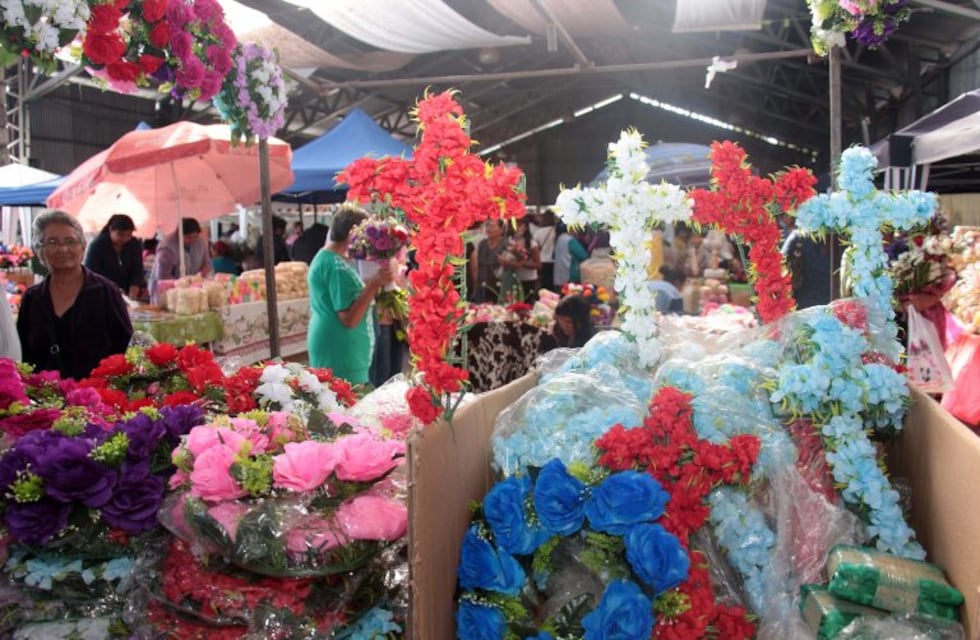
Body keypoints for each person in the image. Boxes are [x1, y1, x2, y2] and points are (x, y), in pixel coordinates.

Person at [17, 210, 132, 380]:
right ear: (40, 250)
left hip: (95, 398)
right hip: (43, 399)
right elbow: (23, 353)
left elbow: (126, 348)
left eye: (70, 241)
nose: (63, 249)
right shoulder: (32, 298)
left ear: (83, 246)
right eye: (53, 242)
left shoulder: (106, 292)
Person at [308, 207, 393, 385]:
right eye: (366, 234)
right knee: (345, 405)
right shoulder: (335, 265)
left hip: (342, 349)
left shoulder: (331, 259)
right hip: (341, 351)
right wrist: (373, 285)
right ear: (352, 234)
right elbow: (349, 318)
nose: (369, 240)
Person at [83, 214, 145, 299]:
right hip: (101, 292)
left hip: (127, 293)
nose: (125, 239)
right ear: (110, 229)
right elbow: (91, 272)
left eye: (129, 235)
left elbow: (137, 271)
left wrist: (132, 294)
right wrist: (112, 289)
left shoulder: (134, 244)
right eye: (121, 235)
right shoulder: (97, 245)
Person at [150, 218, 211, 302]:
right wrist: (183, 283)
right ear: (179, 234)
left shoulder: (200, 242)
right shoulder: (167, 248)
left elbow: (206, 264)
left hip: (191, 291)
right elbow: (162, 277)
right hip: (167, 293)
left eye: (195, 237)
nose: (192, 240)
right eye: (188, 237)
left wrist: (200, 277)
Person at [470, 218, 509, 303]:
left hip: (498, 283)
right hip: (482, 283)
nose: (489, 229)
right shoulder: (482, 244)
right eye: (487, 226)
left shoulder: (506, 244)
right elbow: (476, 265)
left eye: (492, 226)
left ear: (501, 230)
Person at [508, 218, 542, 302]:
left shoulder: (531, 243)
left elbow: (538, 264)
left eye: (519, 225)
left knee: (527, 304)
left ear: (525, 227)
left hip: (528, 279)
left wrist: (522, 263)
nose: (517, 228)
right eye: (514, 225)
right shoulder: (510, 241)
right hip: (513, 279)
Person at [553, 220, 589, 288]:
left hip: (558, 277)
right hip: (570, 275)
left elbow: (553, 255)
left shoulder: (558, 239)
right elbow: (584, 256)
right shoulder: (570, 240)